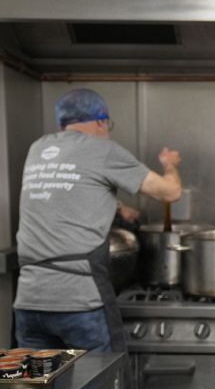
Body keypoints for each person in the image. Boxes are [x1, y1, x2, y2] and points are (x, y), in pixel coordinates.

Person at [14, 88, 183, 353]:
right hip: (80, 302)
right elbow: (170, 193)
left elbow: (66, 190)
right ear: (101, 121)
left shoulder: (38, 148)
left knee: (40, 380)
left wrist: (118, 207)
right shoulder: (103, 150)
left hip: (28, 303)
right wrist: (170, 164)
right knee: (101, 378)